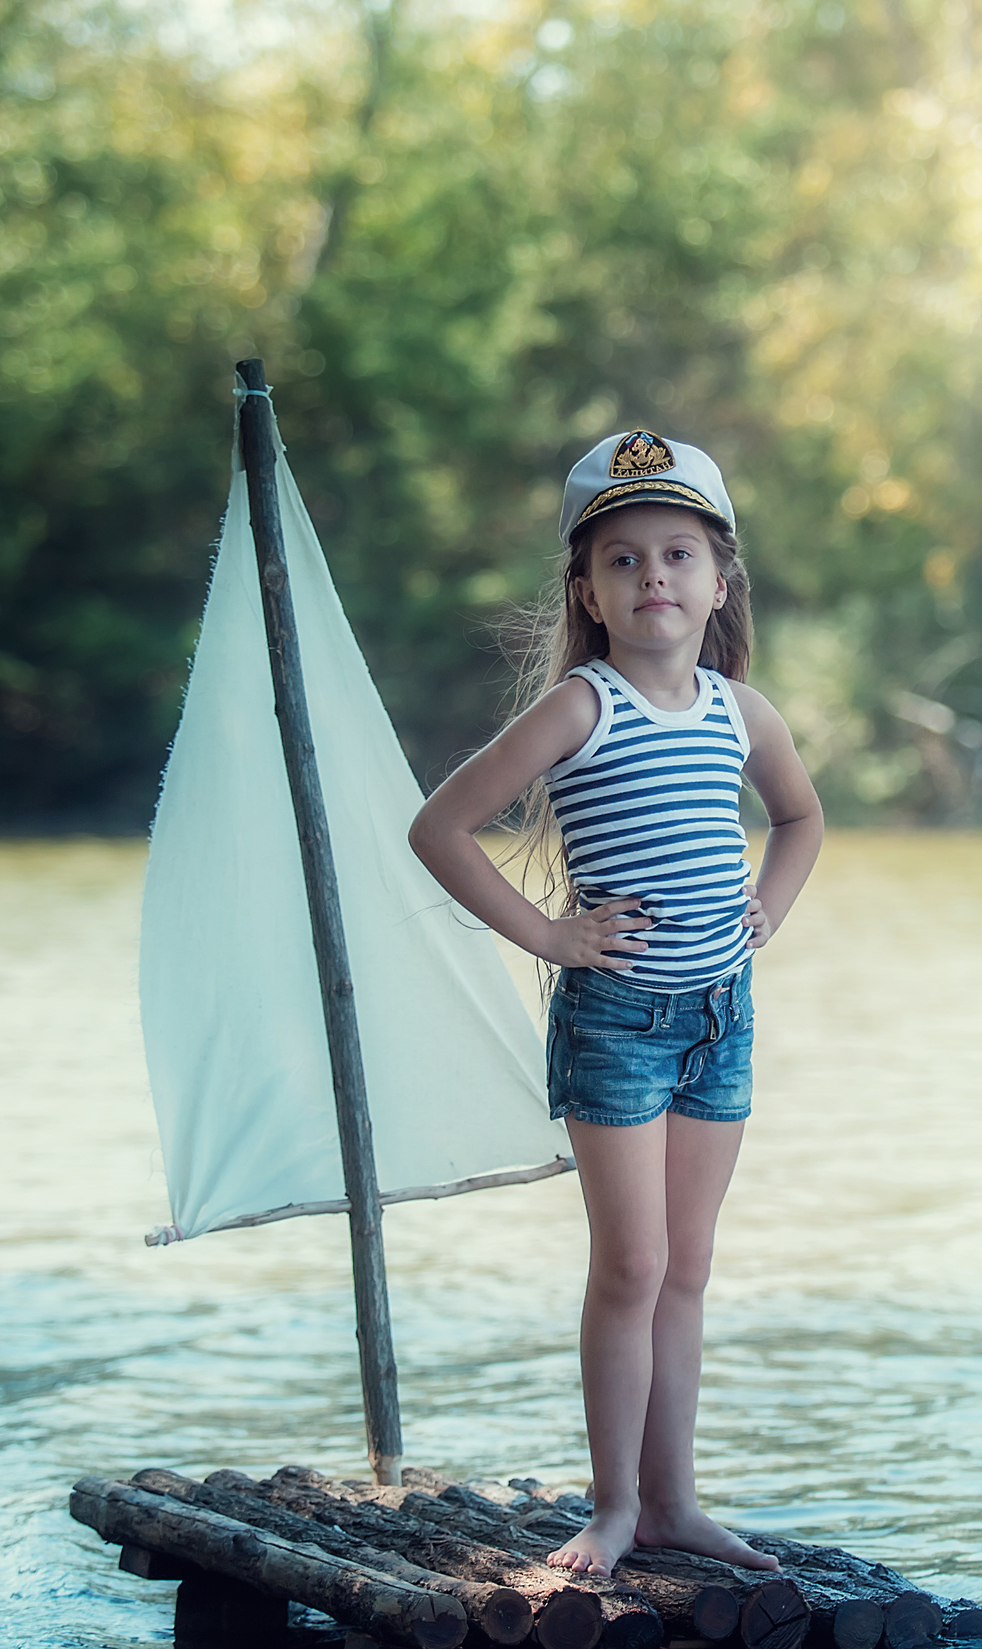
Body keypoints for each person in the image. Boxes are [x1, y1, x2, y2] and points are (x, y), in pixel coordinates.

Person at [410, 429, 824, 1577]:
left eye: (678, 554)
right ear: (586, 592)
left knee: (688, 1267)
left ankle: (677, 1503)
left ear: (719, 580)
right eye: (626, 560)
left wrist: (768, 910)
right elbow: (439, 828)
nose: (655, 578)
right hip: (618, 1023)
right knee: (630, 1268)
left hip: (718, 1017)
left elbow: (801, 820)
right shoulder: (579, 710)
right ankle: (612, 1508)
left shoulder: (744, 713)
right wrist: (549, 936)